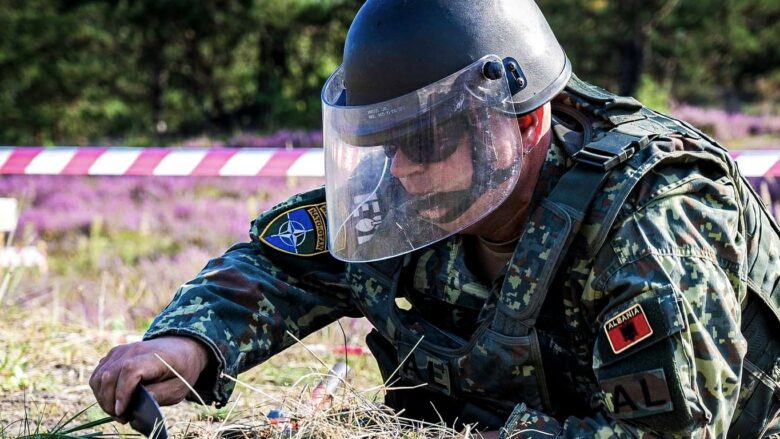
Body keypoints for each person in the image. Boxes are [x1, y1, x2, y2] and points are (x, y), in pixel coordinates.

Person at [91, 0, 780, 437]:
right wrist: (191, 343)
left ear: (527, 117)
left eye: (427, 140)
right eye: (385, 143)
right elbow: (283, 260)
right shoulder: (424, 182)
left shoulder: (657, 218)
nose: (403, 169)